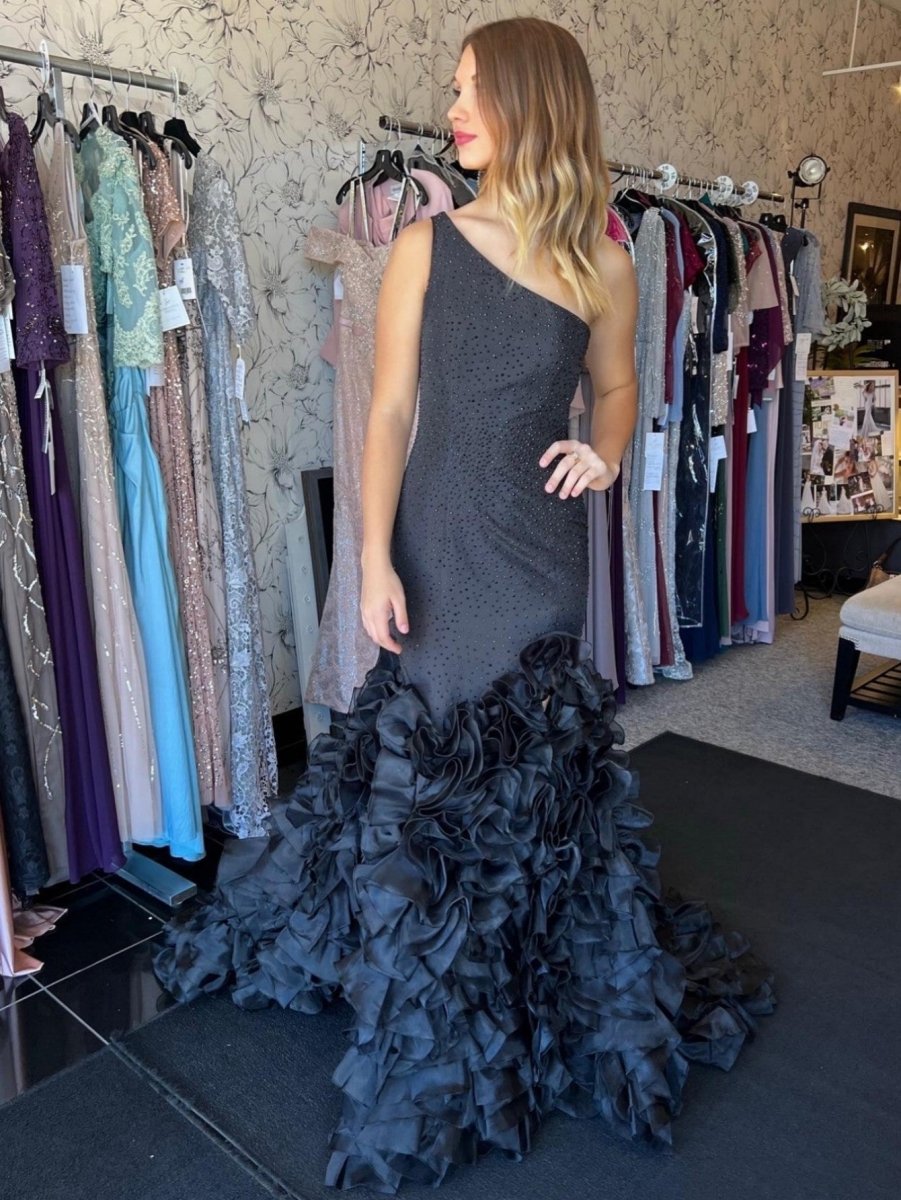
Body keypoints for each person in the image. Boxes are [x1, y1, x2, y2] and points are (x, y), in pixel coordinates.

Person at [154, 18, 775, 1193]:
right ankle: (428, 997)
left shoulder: (602, 263)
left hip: (539, 558)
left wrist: (603, 451)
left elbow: (619, 388)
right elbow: (388, 412)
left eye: (471, 90)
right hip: (436, 549)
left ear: (535, 101)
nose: (452, 110)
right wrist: (371, 557)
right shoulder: (424, 246)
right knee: (429, 763)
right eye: (452, 91)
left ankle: (515, 984)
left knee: (526, 772)